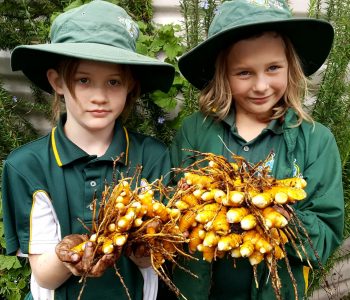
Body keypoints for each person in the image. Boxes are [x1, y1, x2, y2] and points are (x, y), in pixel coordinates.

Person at [170, 0, 344, 299]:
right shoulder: (196, 131)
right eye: (244, 73)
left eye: (273, 68)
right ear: (222, 74)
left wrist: (282, 218)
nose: (261, 85)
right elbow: (170, 206)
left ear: (292, 68)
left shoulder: (316, 141)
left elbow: (324, 241)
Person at [1, 1, 175, 300]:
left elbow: (156, 260)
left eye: (113, 82)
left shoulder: (152, 157)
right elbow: (44, 274)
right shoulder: (27, 165)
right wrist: (69, 254)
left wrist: (139, 245)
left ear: (129, 85)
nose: (99, 96)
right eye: (84, 80)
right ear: (57, 81)